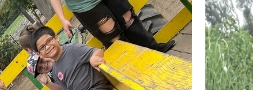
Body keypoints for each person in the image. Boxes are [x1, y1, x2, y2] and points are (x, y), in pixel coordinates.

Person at [45, 0, 175, 52]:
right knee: (112, 33)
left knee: (128, 17)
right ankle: (136, 65)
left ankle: (153, 48)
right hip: (84, 4)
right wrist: (62, 18)